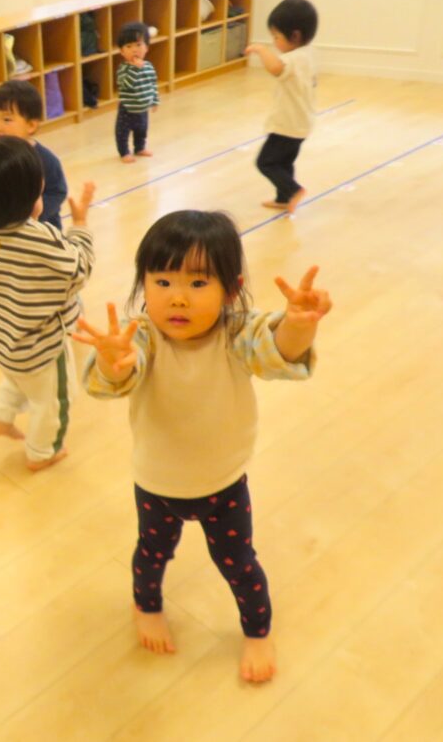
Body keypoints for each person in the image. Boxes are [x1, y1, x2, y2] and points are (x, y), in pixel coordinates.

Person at [74, 210, 331, 682]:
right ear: (143, 283)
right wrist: (113, 362)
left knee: (240, 566)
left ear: (231, 290)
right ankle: (146, 605)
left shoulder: (236, 333)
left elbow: (278, 350)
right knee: (151, 553)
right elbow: (114, 377)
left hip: (224, 484)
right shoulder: (142, 336)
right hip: (156, 484)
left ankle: (257, 631)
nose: (178, 297)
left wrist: (299, 324)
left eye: (197, 283)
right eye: (162, 281)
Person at [0, 136, 95, 471]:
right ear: (28, 203)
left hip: (6, 337)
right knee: (55, 399)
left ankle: (1, 417)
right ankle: (41, 452)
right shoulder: (39, 239)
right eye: (38, 192)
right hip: (42, 343)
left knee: (18, 378)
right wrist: (80, 226)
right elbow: (79, 270)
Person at [245, 0, 319, 214]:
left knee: (266, 162)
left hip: (287, 124)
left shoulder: (293, 58)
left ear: (295, 36)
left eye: (276, 37)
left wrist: (261, 50)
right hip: (301, 123)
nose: (274, 43)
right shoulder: (308, 54)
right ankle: (284, 198)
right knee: (284, 162)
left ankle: (293, 190)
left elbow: (275, 68)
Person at [0, 80, 68, 230]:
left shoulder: (45, 160)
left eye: (7, 119)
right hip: (6, 230)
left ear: (31, 125)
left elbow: (57, 192)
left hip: (42, 230)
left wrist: (32, 214)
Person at [114, 21, 159, 163]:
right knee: (122, 132)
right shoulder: (123, 69)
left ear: (146, 48)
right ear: (122, 51)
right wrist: (135, 69)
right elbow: (126, 85)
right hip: (127, 108)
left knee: (142, 130)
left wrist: (155, 100)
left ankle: (140, 148)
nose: (134, 50)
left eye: (138, 45)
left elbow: (152, 84)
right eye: (129, 46)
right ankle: (124, 152)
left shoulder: (149, 66)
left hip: (143, 108)